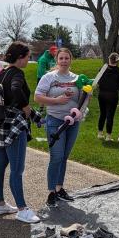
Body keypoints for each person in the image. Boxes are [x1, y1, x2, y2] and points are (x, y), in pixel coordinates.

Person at [0, 41, 41, 223]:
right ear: (20, 57)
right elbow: (16, 89)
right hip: (14, 125)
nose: (28, 59)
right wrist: (26, 108)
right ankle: (22, 209)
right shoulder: (17, 73)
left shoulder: (0, 73)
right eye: (27, 56)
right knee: (17, 170)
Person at [35, 47, 82, 207]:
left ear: (71, 60)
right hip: (55, 121)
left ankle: (59, 188)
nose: (64, 61)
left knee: (64, 157)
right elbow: (37, 97)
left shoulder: (77, 78)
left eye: (66, 58)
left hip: (73, 123)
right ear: (57, 60)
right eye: (61, 58)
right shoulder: (49, 77)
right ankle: (51, 192)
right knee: (56, 157)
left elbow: (83, 98)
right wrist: (57, 100)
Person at [95, 52, 119, 141]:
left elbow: (97, 81)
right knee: (110, 115)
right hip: (112, 95)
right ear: (117, 61)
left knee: (102, 114)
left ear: (109, 60)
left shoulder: (102, 69)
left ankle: (100, 133)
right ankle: (108, 136)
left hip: (102, 94)